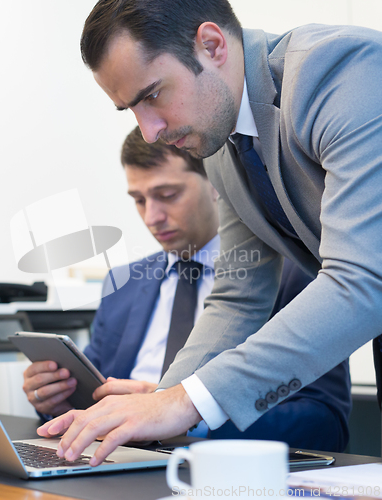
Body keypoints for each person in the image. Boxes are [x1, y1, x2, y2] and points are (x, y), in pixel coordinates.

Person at [39, 2, 381, 464]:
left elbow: (363, 279)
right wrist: (156, 405)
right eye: (131, 109)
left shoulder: (342, 71)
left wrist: (186, 401)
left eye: (152, 95)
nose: (150, 130)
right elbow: (239, 297)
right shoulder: (221, 140)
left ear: (211, 45)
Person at [27, 126, 350, 450]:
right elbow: (97, 399)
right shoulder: (121, 284)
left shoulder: (296, 275)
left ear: (216, 183)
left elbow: (325, 424)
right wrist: (60, 404)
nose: (152, 216)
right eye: (139, 200)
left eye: (167, 195)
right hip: (121, 463)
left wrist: (184, 409)